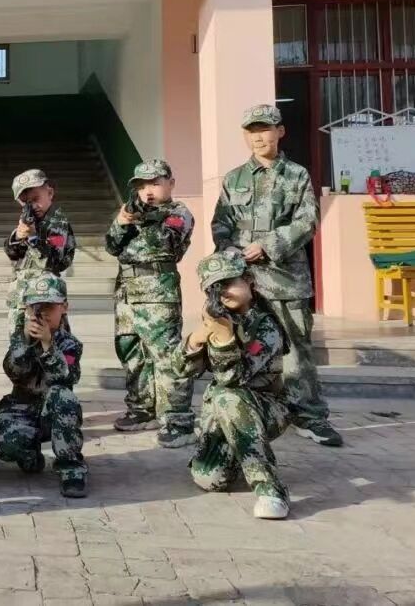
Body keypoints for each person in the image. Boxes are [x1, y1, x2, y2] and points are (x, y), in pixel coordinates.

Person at [211, 104, 342, 447]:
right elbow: (221, 223)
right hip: (244, 282)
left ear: (280, 132)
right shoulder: (234, 178)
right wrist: (229, 251)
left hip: (286, 279)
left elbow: (307, 221)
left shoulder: (296, 175)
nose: (258, 137)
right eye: (252, 131)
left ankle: (308, 416)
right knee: (246, 347)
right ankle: (252, 411)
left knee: (296, 351)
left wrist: (267, 246)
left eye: (265, 129)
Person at [172, 250, 291, 519]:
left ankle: (270, 490)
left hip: (266, 408)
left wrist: (224, 340)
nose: (222, 292)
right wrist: (196, 340)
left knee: (229, 395)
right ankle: (241, 451)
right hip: (222, 414)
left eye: (228, 283)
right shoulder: (220, 319)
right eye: (214, 288)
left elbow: (233, 379)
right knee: (209, 478)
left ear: (249, 280)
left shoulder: (266, 327)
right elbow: (180, 370)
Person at [105, 159, 197, 447]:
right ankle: (142, 409)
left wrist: (142, 219)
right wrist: (122, 222)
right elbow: (111, 245)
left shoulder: (178, 212)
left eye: (155, 184)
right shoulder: (132, 212)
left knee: (167, 356)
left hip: (158, 291)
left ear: (171, 183)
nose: (148, 191)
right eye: (142, 186)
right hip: (127, 292)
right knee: (131, 352)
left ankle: (178, 421)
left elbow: (166, 243)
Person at [0, 272, 87, 497]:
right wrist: (25, 342)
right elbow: (14, 372)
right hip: (23, 406)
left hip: (54, 410)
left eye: (49, 307)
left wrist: (48, 345)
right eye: (36, 307)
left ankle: (71, 469)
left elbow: (65, 377)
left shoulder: (70, 344)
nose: (42, 313)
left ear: (64, 307)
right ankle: (30, 455)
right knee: (5, 445)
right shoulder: (21, 337)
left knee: (63, 396)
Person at [4, 169, 77, 332]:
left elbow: (55, 260)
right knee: (18, 343)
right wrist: (18, 236)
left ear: (50, 193)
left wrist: (34, 238)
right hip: (21, 298)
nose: (32, 206)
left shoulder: (58, 223)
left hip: (45, 298)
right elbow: (12, 253)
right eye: (25, 202)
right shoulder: (29, 221)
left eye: (36, 199)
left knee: (50, 342)